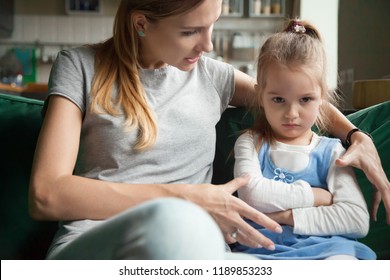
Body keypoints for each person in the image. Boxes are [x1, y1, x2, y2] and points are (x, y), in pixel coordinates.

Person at [28, 0, 388, 260]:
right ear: (141, 23)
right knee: (174, 221)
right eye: (190, 31)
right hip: (99, 244)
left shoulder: (211, 76)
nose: (209, 45)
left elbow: (296, 95)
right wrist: (185, 198)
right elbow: (46, 193)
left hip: (196, 249)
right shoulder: (80, 66)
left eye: (211, 25)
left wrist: (356, 135)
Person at [233, 19, 377, 259]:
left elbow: (356, 219)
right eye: (278, 100)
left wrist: (283, 216)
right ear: (260, 96)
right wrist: (316, 197)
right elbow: (252, 195)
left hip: (326, 250)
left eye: (305, 99)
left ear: (322, 97)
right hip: (259, 249)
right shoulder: (250, 142)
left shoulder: (333, 152)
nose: (291, 113)